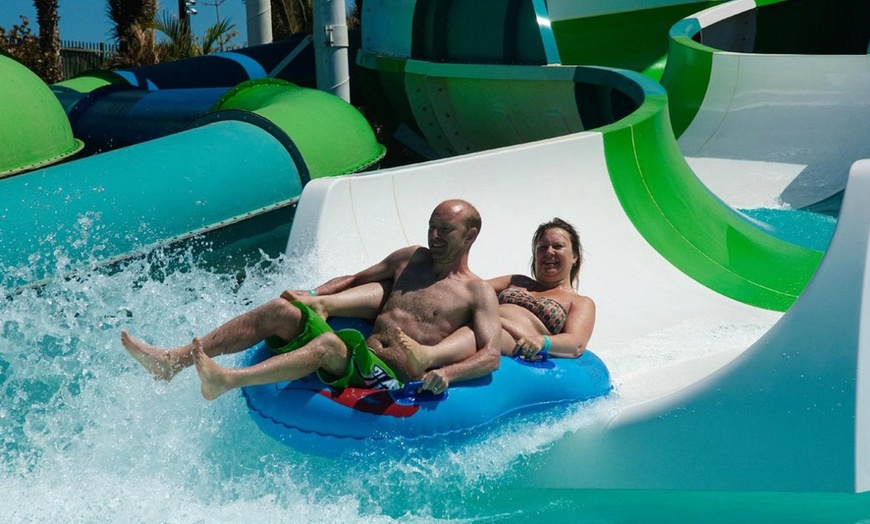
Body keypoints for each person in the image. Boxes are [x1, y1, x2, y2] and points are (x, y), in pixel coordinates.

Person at [120, 199, 502, 400]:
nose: (435, 236)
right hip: (359, 357)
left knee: (326, 345)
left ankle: (229, 380)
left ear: (469, 236)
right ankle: (173, 361)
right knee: (281, 309)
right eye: (432, 227)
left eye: (445, 230)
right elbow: (355, 278)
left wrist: (446, 374)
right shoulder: (410, 258)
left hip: (391, 379)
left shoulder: (476, 291)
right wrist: (315, 295)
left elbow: (491, 354)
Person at [296, 218, 595, 376]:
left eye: (558, 247)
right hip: (483, 322)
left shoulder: (578, 302)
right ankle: (325, 302)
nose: (548, 253)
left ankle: (428, 356)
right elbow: (466, 289)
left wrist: (541, 342)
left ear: (575, 255)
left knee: (485, 329)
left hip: (512, 338)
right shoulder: (516, 281)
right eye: (542, 247)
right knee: (405, 286)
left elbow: (576, 343)